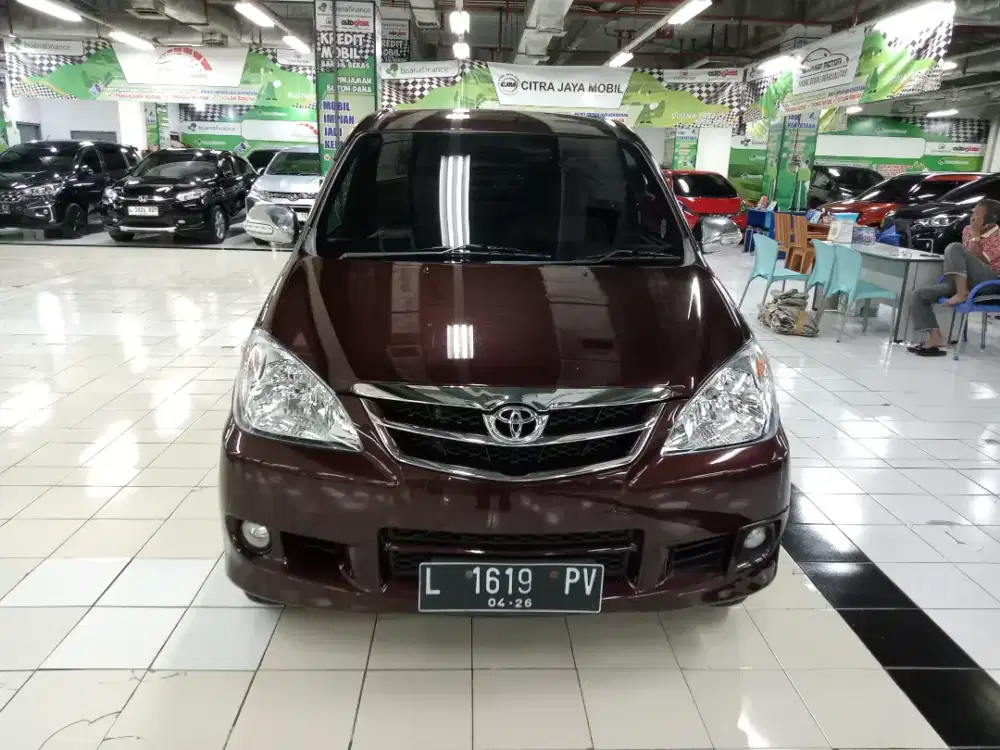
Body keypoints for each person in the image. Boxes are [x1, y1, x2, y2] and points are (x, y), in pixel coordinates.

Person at [908, 199, 1000, 357]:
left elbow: (979, 259)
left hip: (988, 282)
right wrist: (973, 233)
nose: (973, 218)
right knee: (920, 294)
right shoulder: (967, 230)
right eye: (973, 213)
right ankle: (935, 337)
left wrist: (976, 235)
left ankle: (962, 292)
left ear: (990, 218)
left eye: (978, 215)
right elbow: (963, 260)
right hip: (964, 281)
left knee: (954, 247)